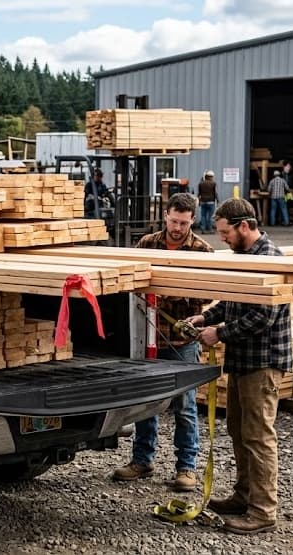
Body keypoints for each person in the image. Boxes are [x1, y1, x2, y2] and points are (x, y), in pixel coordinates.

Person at [185, 198, 292, 535]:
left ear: (244, 226)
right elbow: (231, 301)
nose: (223, 240)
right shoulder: (245, 258)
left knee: (259, 436)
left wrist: (219, 333)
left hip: (262, 362)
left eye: (225, 233)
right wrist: (206, 316)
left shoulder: (270, 259)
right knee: (238, 430)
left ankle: (263, 511)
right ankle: (244, 496)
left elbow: (264, 316)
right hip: (242, 361)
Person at [113, 193, 213, 491]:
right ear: (165, 216)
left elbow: (208, 295)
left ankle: (187, 467)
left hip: (181, 341)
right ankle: (142, 460)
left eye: (183, 223)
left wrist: (172, 291)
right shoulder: (147, 244)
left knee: (184, 405)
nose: (178, 228)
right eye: (173, 221)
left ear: (192, 219)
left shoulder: (202, 250)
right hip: (148, 338)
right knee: (146, 403)